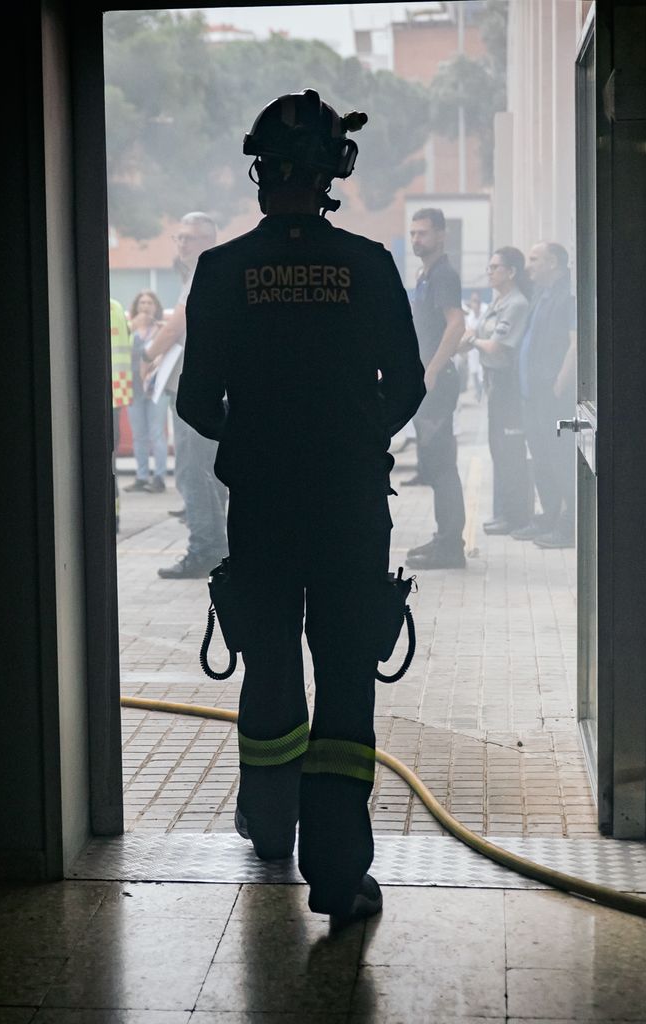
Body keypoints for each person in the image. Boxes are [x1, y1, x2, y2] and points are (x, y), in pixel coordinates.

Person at [176, 88, 424, 927]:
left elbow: (195, 405)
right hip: (352, 507)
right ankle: (338, 873)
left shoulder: (219, 272)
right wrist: (355, 438)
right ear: (333, 175)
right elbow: (413, 384)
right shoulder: (370, 266)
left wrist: (256, 443)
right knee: (347, 683)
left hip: (264, 511)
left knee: (271, 665)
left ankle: (270, 823)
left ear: (260, 174)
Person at [143, 212, 228, 578]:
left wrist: (144, 357)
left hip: (196, 387)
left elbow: (179, 324)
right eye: (179, 238)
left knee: (194, 472)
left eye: (191, 238)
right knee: (209, 471)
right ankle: (217, 546)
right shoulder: (214, 273)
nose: (182, 244)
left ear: (209, 241)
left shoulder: (202, 273)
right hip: (210, 385)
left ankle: (205, 550)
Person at [403, 208, 468, 570]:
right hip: (428, 380)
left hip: (437, 384)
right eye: (413, 233)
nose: (416, 240)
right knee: (434, 464)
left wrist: (431, 371)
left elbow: (456, 325)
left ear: (441, 235)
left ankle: (450, 547)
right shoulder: (425, 275)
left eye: (423, 233)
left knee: (442, 466)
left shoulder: (443, 274)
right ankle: (445, 537)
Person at [460, 247, 533, 535]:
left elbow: (497, 346)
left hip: (508, 387)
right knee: (498, 451)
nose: (489, 272)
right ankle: (505, 511)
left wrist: (474, 340)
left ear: (511, 271)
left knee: (510, 451)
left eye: (495, 267)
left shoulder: (516, 303)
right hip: (494, 384)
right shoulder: (498, 301)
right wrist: (477, 340)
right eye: (489, 267)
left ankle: (516, 516)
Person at [513, 241, 578, 547]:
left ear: (553, 263)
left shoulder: (568, 297)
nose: (529, 266)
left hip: (552, 396)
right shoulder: (541, 294)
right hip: (533, 395)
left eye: (535, 259)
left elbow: (575, 345)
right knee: (541, 459)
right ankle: (550, 518)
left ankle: (569, 526)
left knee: (560, 459)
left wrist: (558, 387)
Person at [123, 289, 168, 494]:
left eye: (150, 303)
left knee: (157, 433)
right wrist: (134, 328)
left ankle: (159, 477)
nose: (145, 306)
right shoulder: (129, 330)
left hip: (156, 388)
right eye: (141, 303)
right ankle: (142, 476)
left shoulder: (162, 329)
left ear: (156, 307)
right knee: (139, 435)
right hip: (134, 387)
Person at [109, 298, 134, 534]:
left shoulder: (93, 305)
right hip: (117, 394)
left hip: (98, 395)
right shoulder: (116, 307)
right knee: (111, 460)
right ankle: (114, 515)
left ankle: (108, 515)